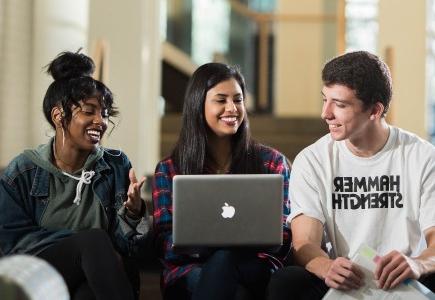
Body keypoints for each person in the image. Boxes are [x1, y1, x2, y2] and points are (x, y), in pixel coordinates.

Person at [267, 51, 435, 300]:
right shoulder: (312, 160)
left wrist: (419, 264)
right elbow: (304, 242)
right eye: (325, 99)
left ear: (375, 110)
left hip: (403, 278)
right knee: (287, 281)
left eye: (340, 104)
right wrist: (326, 267)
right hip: (343, 278)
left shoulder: (422, 156)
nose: (326, 113)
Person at [0, 51, 149, 300]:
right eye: (89, 111)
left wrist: (133, 214)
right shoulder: (23, 170)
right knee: (94, 241)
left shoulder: (115, 165)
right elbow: (10, 243)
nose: (100, 122)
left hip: (96, 279)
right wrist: (79, 245)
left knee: (88, 293)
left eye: (104, 113)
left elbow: (128, 250)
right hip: (37, 276)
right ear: (58, 116)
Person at [152, 62, 291, 300]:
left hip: (254, 268)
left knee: (227, 261)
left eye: (238, 100)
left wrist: (222, 246)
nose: (232, 108)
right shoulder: (169, 169)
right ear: (199, 104)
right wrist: (222, 248)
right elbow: (165, 242)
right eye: (221, 100)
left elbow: (284, 235)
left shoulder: (273, 163)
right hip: (191, 270)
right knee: (235, 290)